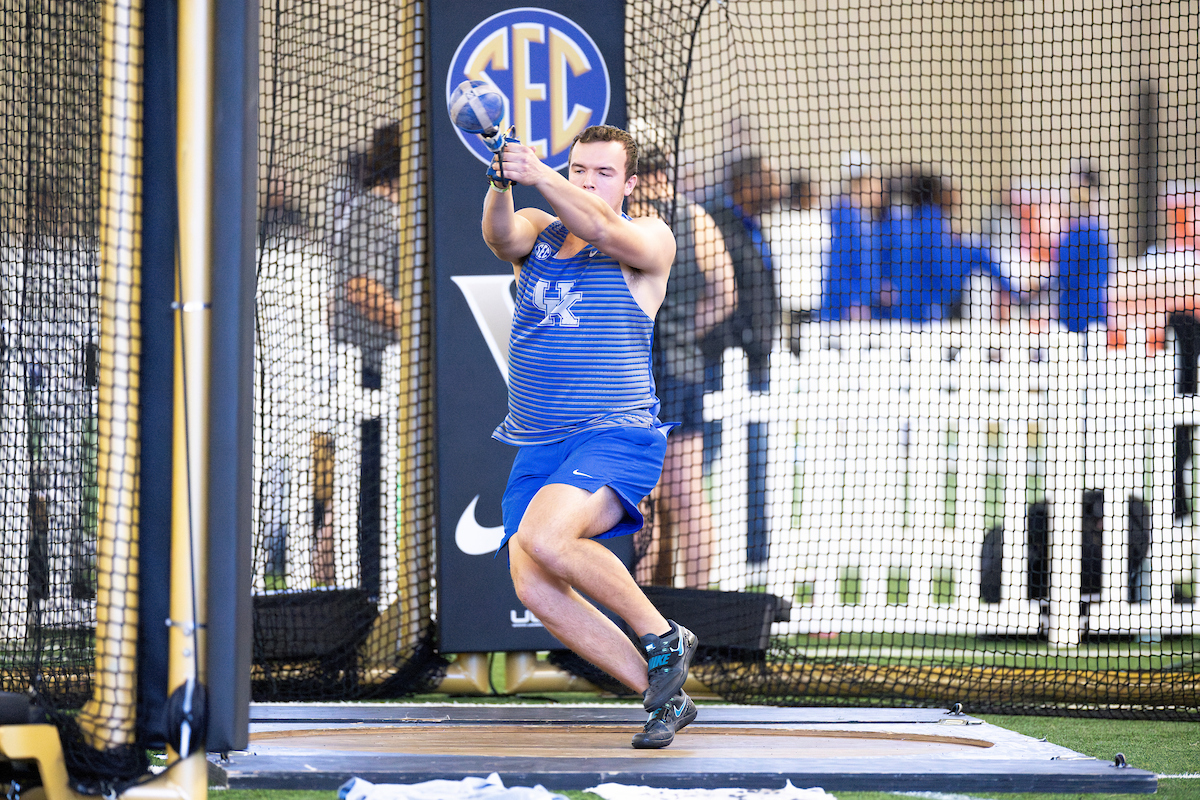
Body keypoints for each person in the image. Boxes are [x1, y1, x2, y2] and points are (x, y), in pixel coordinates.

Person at [481, 124, 699, 749]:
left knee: (545, 537)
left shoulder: (649, 237)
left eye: (604, 173)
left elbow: (604, 228)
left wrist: (539, 173)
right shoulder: (539, 232)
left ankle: (663, 636)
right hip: (539, 440)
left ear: (629, 184)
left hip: (615, 432)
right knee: (532, 580)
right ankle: (663, 696)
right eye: (579, 170)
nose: (588, 181)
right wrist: (502, 181)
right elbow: (500, 238)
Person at [629, 139, 736, 590]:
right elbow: (725, 293)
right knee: (687, 494)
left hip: (643, 374)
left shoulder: (630, 221)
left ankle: (642, 614)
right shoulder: (695, 217)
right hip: (685, 369)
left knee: (642, 497)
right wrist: (686, 334)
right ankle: (697, 604)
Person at [821, 151, 884, 322]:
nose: (879, 188)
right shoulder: (843, 215)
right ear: (859, 182)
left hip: (860, 308)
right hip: (842, 312)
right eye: (874, 181)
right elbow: (837, 265)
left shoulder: (861, 216)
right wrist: (851, 302)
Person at [1055, 161, 1111, 333]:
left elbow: (1065, 272)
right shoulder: (1088, 230)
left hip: (1082, 312)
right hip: (1079, 311)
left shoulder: (1088, 232)